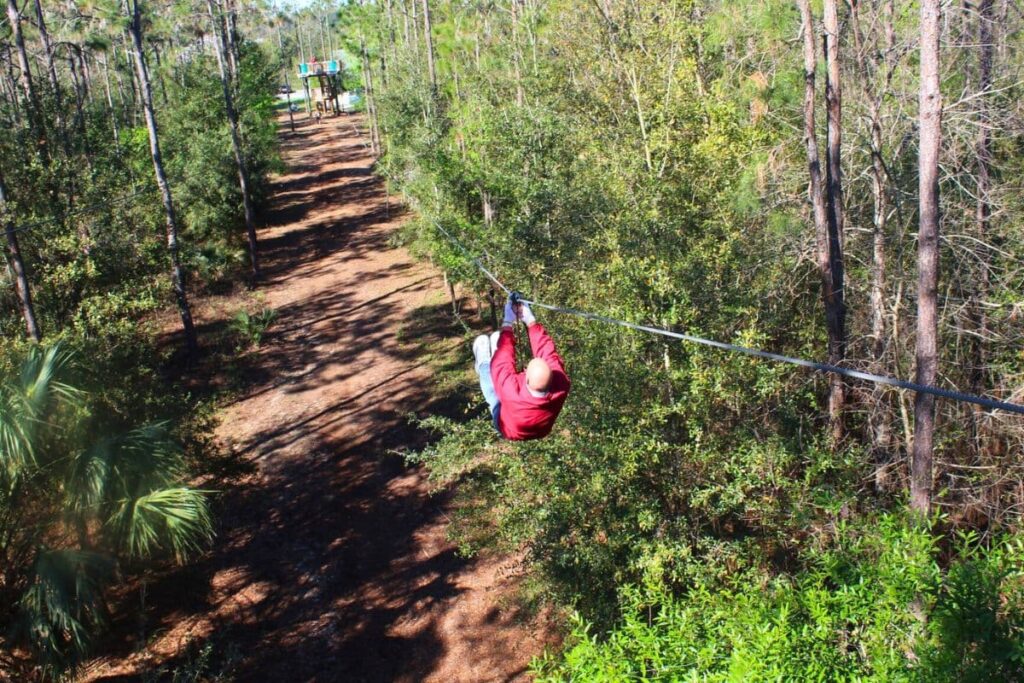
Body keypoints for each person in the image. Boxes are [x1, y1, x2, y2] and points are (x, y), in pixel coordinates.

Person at [472, 295, 570, 440]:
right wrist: (530, 321)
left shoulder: (511, 392)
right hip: (541, 429)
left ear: (527, 379)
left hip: (507, 427)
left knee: (492, 388)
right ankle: (496, 344)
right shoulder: (561, 383)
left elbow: (500, 365)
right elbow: (548, 352)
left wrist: (507, 322)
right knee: (501, 376)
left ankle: (482, 362)